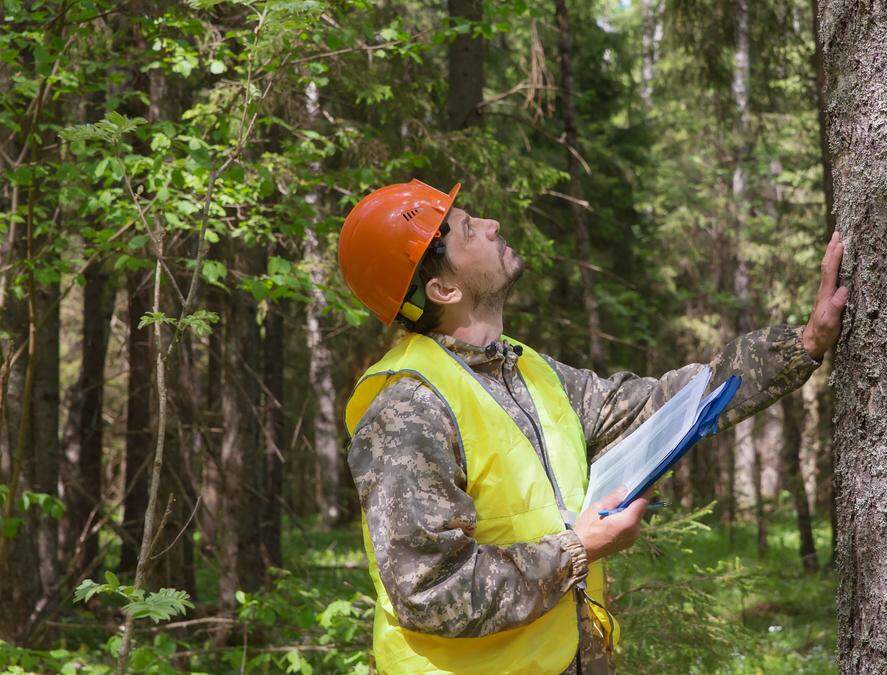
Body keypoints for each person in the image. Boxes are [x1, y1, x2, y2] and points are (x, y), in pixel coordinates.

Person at [339, 179, 848, 674]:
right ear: (443, 287)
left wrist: (803, 344)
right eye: (468, 230)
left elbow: (661, 406)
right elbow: (431, 593)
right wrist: (577, 549)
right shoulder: (407, 410)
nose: (493, 225)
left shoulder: (529, 371)